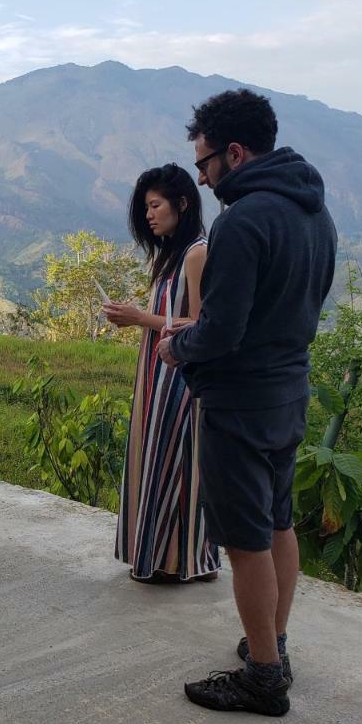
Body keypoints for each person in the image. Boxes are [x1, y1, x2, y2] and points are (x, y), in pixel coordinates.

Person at [159, 89, 336, 716]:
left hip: (240, 403)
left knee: (245, 541)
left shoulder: (243, 221)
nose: (204, 179)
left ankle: (263, 677)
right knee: (279, 523)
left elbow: (224, 330)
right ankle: (275, 643)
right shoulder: (315, 213)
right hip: (290, 392)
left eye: (206, 164)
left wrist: (179, 344)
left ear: (235, 152)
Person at [103, 164, 219, 584]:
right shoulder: (173, 253)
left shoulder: (197, 253)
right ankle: (181, 558)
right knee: (164, 458)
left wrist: (137, 318)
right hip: (160, 368)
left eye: (155, 205)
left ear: (182, 204)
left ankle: (178, 560)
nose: (149, 215)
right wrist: (139, 319)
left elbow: (201, 322)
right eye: (146, 207)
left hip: (181, 373)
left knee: (176, 460)